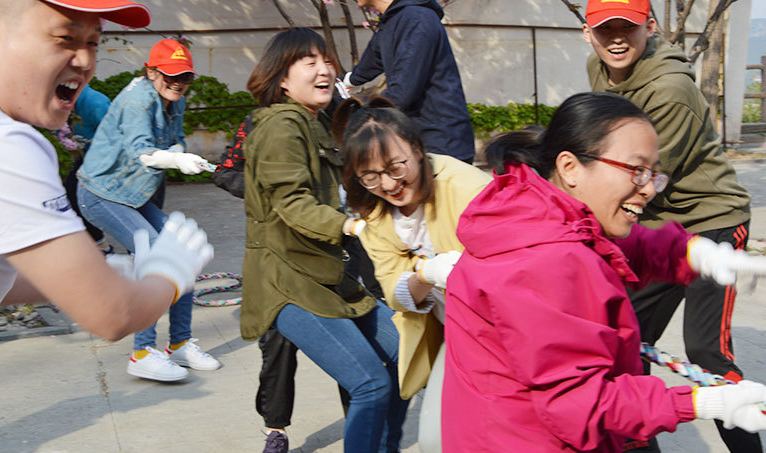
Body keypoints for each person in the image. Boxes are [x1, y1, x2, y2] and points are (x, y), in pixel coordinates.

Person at [0, 0, 212, 421]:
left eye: (95, 42)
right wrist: (170, 271)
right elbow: (111, 314)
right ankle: (150, 352)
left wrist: (108, 271)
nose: (83, 60)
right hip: (108, 192)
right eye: (64, 37)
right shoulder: (1, 142)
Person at [441, 92, 766, 452]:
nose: (647, 189)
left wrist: (699, 255)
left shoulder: (544, 213)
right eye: (636, 170)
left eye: (653, 173)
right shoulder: (544, 260)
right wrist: (700, 403)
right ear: (570, 167)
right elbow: (581, 403)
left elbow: (626, 247)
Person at [582, 0, 759, 452]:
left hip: (711, 221)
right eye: (604, 29)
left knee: (706, 352)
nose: (616, 39)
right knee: (623, 345)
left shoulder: (671, 89)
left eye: (628, 28)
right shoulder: (599, 70)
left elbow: (643, 178)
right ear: (587, 32)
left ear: (651, 28)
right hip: (654, 225)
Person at [240, 27, 406, 453]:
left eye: (326, 60)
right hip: (290, 282)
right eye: (308, 62)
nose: (324, 69)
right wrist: (352, 227)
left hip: (330, 275)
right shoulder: (281, 125)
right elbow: (291, 204)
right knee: (370, 383)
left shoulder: (314, 121)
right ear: (281, 77)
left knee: (408, 357)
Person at [335, 97, 491, 452]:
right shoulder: (374, 213)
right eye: (370, 175)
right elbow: (393, 290)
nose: (388, 185)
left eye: (394, 167)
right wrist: (427, 273)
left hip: (509, 336)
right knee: (436, 439)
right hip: (458, 340)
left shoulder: (468, 188)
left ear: (417, 150)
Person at [77, 38, 221, 382]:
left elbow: (177, 139)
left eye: (185, 77)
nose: (177, 83)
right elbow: (142, 152)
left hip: (136, 195)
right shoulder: (137, 101)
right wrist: (174, 158)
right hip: (101, 194)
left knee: (180, 250)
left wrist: (179, 150)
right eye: (170, 76)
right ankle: (142, 351)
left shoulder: (176, 100)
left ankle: (179, 343)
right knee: (156, 253)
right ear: (151, 72)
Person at [323, 0, 475, 163]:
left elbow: (402, 92)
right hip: (421, 145)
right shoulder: (396, 17)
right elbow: (372, 60)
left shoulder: (416, 19)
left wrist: (360, 120)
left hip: (442, 151)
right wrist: (347, 83)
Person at [62, 85, 113, 252]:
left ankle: (136, 252)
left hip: (106, 161)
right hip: (83, 158)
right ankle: (100, 244)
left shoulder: (96, 103)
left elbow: (116, 136)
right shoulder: (61, 100)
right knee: (70, 196)